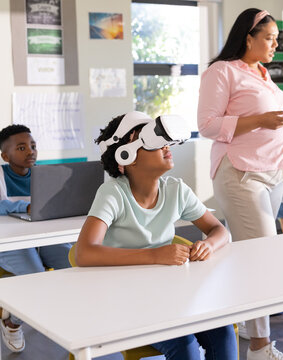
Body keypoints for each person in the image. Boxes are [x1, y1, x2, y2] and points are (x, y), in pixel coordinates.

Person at [75, 112, 237, 360]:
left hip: (170, 298)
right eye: (149, 139)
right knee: (185, 346)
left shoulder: (176, 190)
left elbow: (220, 231)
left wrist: (208, 245)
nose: (164, 144)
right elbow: (84, 253)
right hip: (126, 303)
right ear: (125, 156)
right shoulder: (112, 193)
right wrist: (155, 255)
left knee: (224, 333)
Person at [197, 8, 283, 360]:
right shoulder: (222, 71)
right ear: (248, 37)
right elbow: (209, 126)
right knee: (263, 260)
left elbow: (267, 123)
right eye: (269, 38)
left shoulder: (264, 75)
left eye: (277, 40)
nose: (275, 45)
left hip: (274, 173)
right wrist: (261, 119)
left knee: (250, 258)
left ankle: (243, 325)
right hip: (241, 173)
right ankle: (259, 347)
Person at [0, 124, 72, 353]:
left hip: (40, 238)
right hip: (9, 242)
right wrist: (28, 205)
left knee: (74, 265)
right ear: (5, 155)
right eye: (21, 148)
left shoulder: (44, 174)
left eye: (33, 146)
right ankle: (12, 322)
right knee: (37, 279)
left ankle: (74, 323)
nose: (30, 151)